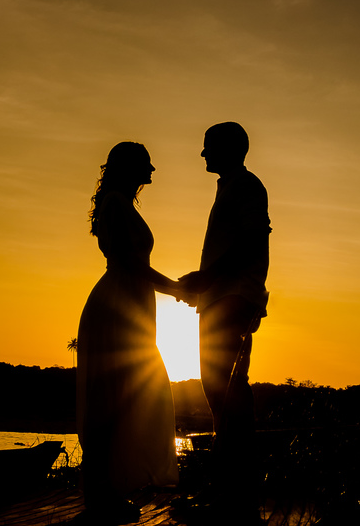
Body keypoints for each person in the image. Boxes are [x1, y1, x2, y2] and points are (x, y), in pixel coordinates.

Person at [77, 141, 184, 524]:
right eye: (146, 164)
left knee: (126, 398)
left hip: (131, 306)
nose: (152, 170)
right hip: (117, 307)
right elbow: (130, 264)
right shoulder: (116, 205)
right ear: (128, 167)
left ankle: (109, 490)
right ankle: (97, 498)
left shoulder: (121, 203)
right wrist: (177, 289)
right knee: (109, 401)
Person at [179, 122, 270, 523]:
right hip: (220, 299)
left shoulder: (246, 186)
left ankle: (235, 499)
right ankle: (226, 493)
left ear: (230, 149)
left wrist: (207, 279)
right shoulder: (230, 187)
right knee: (220, 397)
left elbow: (252, 241)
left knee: (229, 396)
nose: (203, 153)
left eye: (208, 146)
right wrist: (204, 286)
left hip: (232, 301)